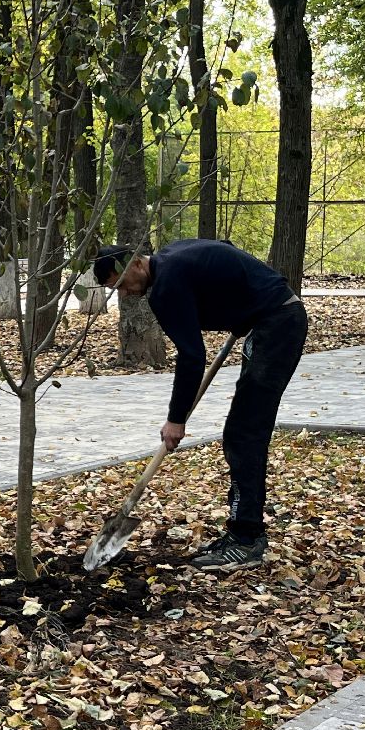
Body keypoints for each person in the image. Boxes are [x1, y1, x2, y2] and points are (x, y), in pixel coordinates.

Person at [93, 239, 309, 571]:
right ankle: (243, 533)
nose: (124, 294)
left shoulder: (166, 286)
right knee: (243, 432)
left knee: (243, 434)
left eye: (121, 285)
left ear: (136, 264)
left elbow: (192, 357)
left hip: (277, 323)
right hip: (274, 316)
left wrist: (176, 419)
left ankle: (246, 540)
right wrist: (239, 308)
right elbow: (224, 248)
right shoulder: (173, 258)